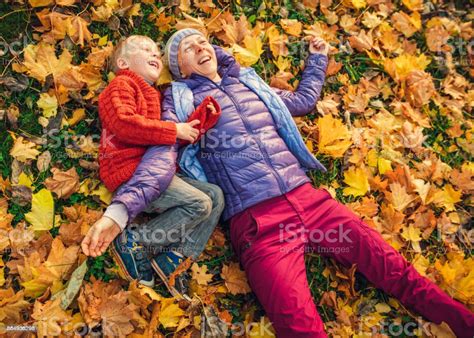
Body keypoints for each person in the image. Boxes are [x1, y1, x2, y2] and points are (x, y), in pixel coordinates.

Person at [90, 29, 474, 337]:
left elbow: (305, 100)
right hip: (260, 225)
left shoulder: (253, 85)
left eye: (202, 39)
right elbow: (162, 154)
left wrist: (318, 59)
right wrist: (119, 213)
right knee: (300, 326)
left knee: (396, 270)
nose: (199, 45)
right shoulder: (180, 99)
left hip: (312, 202)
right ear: (180, 67)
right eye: (186, 48)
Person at [81, 35, 225, 296]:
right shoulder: (122, 85)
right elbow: (124, 124)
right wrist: (174, 130)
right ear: (124, 63)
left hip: (156, 172)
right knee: (199, 203)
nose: (155, 55)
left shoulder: (157, 96)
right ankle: (136, 241)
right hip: (131, 171)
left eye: (157, 53)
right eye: (146, 49)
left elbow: (163, 146)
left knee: (215, 196)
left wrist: (197, 123)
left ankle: (175, 259)